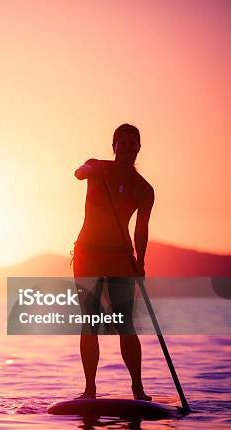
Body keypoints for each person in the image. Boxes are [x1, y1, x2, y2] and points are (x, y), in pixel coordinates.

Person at [72, 123, 154, 401]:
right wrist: (88, 169)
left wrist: (139, 263)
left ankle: (138, 390)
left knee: (125, 323)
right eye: (123, 143)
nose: (128, 148)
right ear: (114, 146)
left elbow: (141, 231)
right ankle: (89, 390)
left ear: (139, 148)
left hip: (121, 258)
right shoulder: (98, 169)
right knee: (89, 321)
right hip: (87, 255)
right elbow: (78, 172)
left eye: (133, 143)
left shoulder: (144, 189)